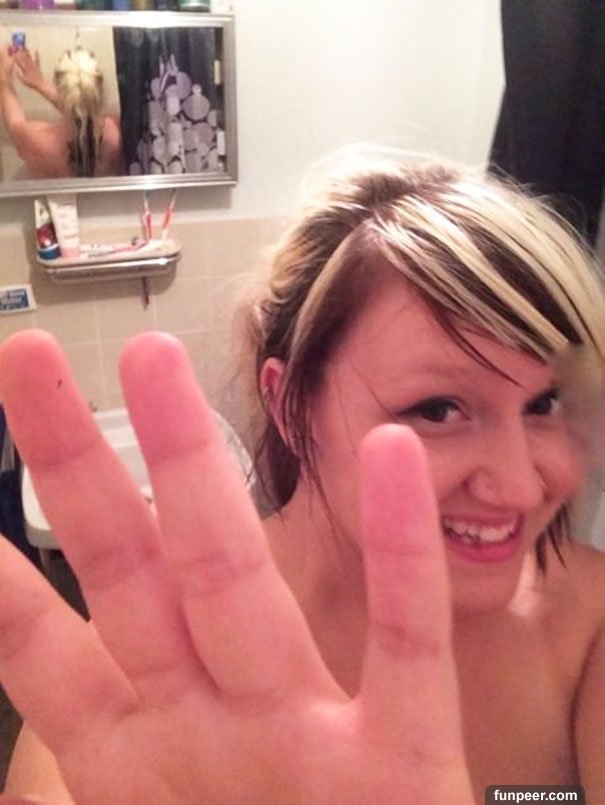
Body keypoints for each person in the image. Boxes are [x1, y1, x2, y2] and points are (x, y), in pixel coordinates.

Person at [1, 152, 604, 803]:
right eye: (436, 410)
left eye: (547, 403)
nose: (519, 488)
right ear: (290, 407)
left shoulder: (590, 626)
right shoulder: (152, 665)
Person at [0, 45, 122, 180]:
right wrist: (41, 85)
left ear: (60, 91)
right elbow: (83, 111)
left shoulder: (39, 142)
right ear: (101, 92)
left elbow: (14, 123)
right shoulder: (117, 134)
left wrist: (4, 78)